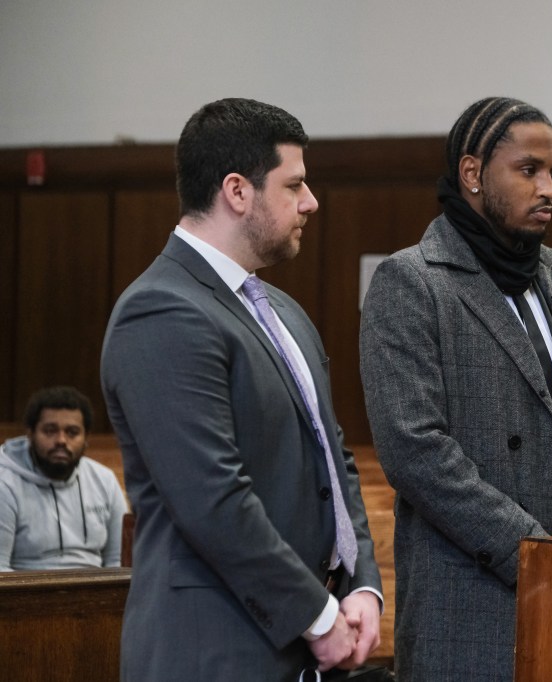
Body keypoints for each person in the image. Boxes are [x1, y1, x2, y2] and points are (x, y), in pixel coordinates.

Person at [101, 98, 382, 681]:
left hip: (299, 644)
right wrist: (317, 616)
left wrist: (361, 585)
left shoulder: (281, 309)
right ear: (237, 191)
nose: (311, 201)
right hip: (212, 650)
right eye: (294, 185)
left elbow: (334, 459)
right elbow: (212, 500)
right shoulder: (162, 309)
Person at [359, 96, 552, 681]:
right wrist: (534, 553)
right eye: (528, 169)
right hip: (469, 608)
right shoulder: (413, 281)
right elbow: (415, 450)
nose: (548, 189)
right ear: (472, 174)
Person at [0, 386, 127, 571]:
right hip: (27, 586)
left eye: (72, 432)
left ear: (86, 438)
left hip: (97, 586)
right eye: (50, 431)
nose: (61, 440)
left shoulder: (105, 480)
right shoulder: (5, 483)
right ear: (30, 434)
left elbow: (118, 561)